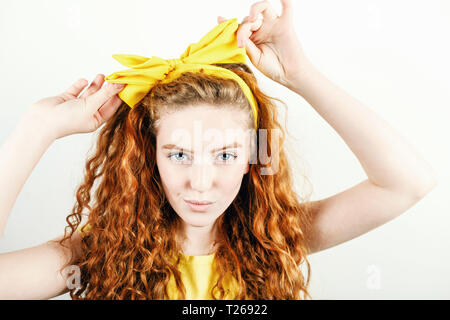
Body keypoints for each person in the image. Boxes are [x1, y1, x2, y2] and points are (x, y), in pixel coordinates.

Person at [0, 0, 437, 300]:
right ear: (150, 157)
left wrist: (300, 74)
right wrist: (37, 128)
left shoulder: (274, 239)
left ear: (252, 159)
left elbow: (406, 183)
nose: (201, 181)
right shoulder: (97, 255)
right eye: (179, 154)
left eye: (225, 155)